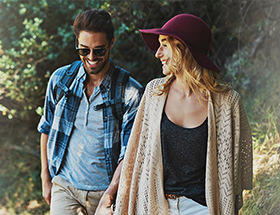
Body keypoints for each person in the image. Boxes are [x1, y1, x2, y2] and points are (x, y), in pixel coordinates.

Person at [111, 14, 253, 215]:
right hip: (156, 206)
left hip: (202, 209)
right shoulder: (154, 93)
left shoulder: (227, 102)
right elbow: (136, 157)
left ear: (184, 49)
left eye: (164, 46)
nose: (157, 53)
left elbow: (232, 172)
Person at [37, 9, 143, 215]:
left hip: (106, 193)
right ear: (77, 43)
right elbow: (46, 128)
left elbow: (130, 153)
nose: (92, 57)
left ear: (112, 42)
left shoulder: (130, 93)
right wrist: (46, 179)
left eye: (99, 50)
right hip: (65, 187)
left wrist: (110, 196)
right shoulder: (60, 80)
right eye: (84, 50)